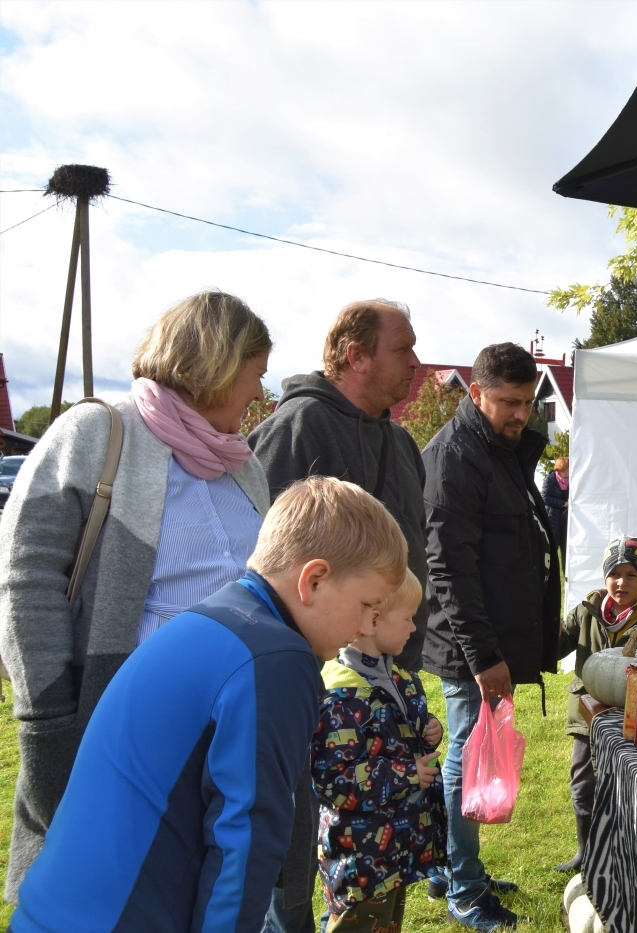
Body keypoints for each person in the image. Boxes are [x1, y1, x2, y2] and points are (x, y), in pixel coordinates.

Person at [9, 476, 407, 933]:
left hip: (56, 909)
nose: (364, 627)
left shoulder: (209, 618)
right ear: (313, 579)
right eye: (366, 604)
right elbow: (247, 839)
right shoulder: (278, 659)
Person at [0, 290, 273, 902]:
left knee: (199, 893)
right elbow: (24, 580)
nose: (258, 393)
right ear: (217, 364)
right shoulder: (96, 433)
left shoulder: (241, 462)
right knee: (107, 894)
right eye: (253, 375)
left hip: (228, 731)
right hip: (121, 724)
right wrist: (48, 718)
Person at [248, 299, 428, 931]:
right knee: (299, 838)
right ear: (356, 355)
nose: (415, 362)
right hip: (308, 684)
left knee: (385, 825)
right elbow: (259, 557)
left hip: (387, 677)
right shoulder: (297, 429)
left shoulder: (401, 442)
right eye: (403, 348)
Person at [422, 343, 560, 930]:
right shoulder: (457, 454)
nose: (518, 414)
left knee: (463, 755)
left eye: (526, 402)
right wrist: (483, 658)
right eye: (506, 401)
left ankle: (450, 866)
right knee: (463, 758)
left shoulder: (500, 450)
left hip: (488, 638)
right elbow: (449, 565)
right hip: (467, 644)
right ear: (475, 394)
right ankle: (463, 885)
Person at [314, 570, 446, 932]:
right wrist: (406, 774)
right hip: (360, 857)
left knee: (386, 924)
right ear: (373, 621)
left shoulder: (399, 677)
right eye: (407, 618)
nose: (413, 629)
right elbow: (332, 780)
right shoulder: (342, 695)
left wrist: (429, 731)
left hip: (394, 850)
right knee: (356, 926)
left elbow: (401, 736)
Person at [554, 537, 637, 874]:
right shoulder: (587, 610)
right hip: (587, 712)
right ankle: (586, 852)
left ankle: (623, 854)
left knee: (626, 783)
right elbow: (554, 646)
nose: (622, 582)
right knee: (583, 780)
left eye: (632, 575)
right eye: (615, 574)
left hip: (636, 716)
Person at [542, 456, 569, 569]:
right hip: (553, 519)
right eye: (568, 468)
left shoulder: (574, 480)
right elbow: (545, 497)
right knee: (553, 547)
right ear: (561, 469)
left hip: (567, 520)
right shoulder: (550, 479)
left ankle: (566, 573)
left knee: (566, 549)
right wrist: (563, 503)